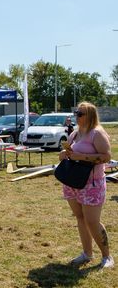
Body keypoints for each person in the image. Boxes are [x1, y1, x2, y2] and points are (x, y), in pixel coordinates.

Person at [59, 102, 114, 268]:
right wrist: (64, 154)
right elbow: (71, 154)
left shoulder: (97, 133)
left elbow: (106, 157)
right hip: (74, 182)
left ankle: (107, 257)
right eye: (76, 112)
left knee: (92, 221)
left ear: (90, 115)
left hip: (93, 183)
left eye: (80, 113)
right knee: (80, 218)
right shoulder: (75, 134)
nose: (77, 115)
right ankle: (87, 253)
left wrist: (81, 156)